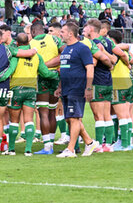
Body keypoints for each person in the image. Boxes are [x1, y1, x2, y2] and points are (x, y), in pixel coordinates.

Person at [55, 22, 99, 158]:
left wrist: (89, 87)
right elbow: (64, 70)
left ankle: (71, 149)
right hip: (66, 88)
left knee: (74, 118)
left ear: (70, 33)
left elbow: (90, 67)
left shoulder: (82, 48)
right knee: (69, 119)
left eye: (62, 31)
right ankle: (89, 142)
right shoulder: (66, 49)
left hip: (77, 88)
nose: (60, 34)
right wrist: (60, 87)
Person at [29, 22, 65, 155]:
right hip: (56, 76)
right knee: (52, 111)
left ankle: (47, 146)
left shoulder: (31, 44)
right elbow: (65, 53)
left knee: (42, 112)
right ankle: (50, 141)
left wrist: (43, 65)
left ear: (33, 32)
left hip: (41, 78)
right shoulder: (54, 39)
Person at [82, 19, 116, 152]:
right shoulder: (107, 41)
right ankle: (108, 144)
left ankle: (100, 145)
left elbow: (94, 63)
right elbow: (114, 58)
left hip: (96, 81)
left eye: (85, 29)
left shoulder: (92, 44)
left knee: (98, 116)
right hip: (108, 81)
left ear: (91, 30)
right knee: (107, 114)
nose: (83, 31)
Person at [107, 30, 133, 151]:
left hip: (117, 83)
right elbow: (132, 59)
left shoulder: (112, 50)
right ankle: (127, 142)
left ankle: (123, 143)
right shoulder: (122, 50)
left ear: (111, 39)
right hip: (128, 82)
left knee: (121, 115)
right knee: (127, 114)